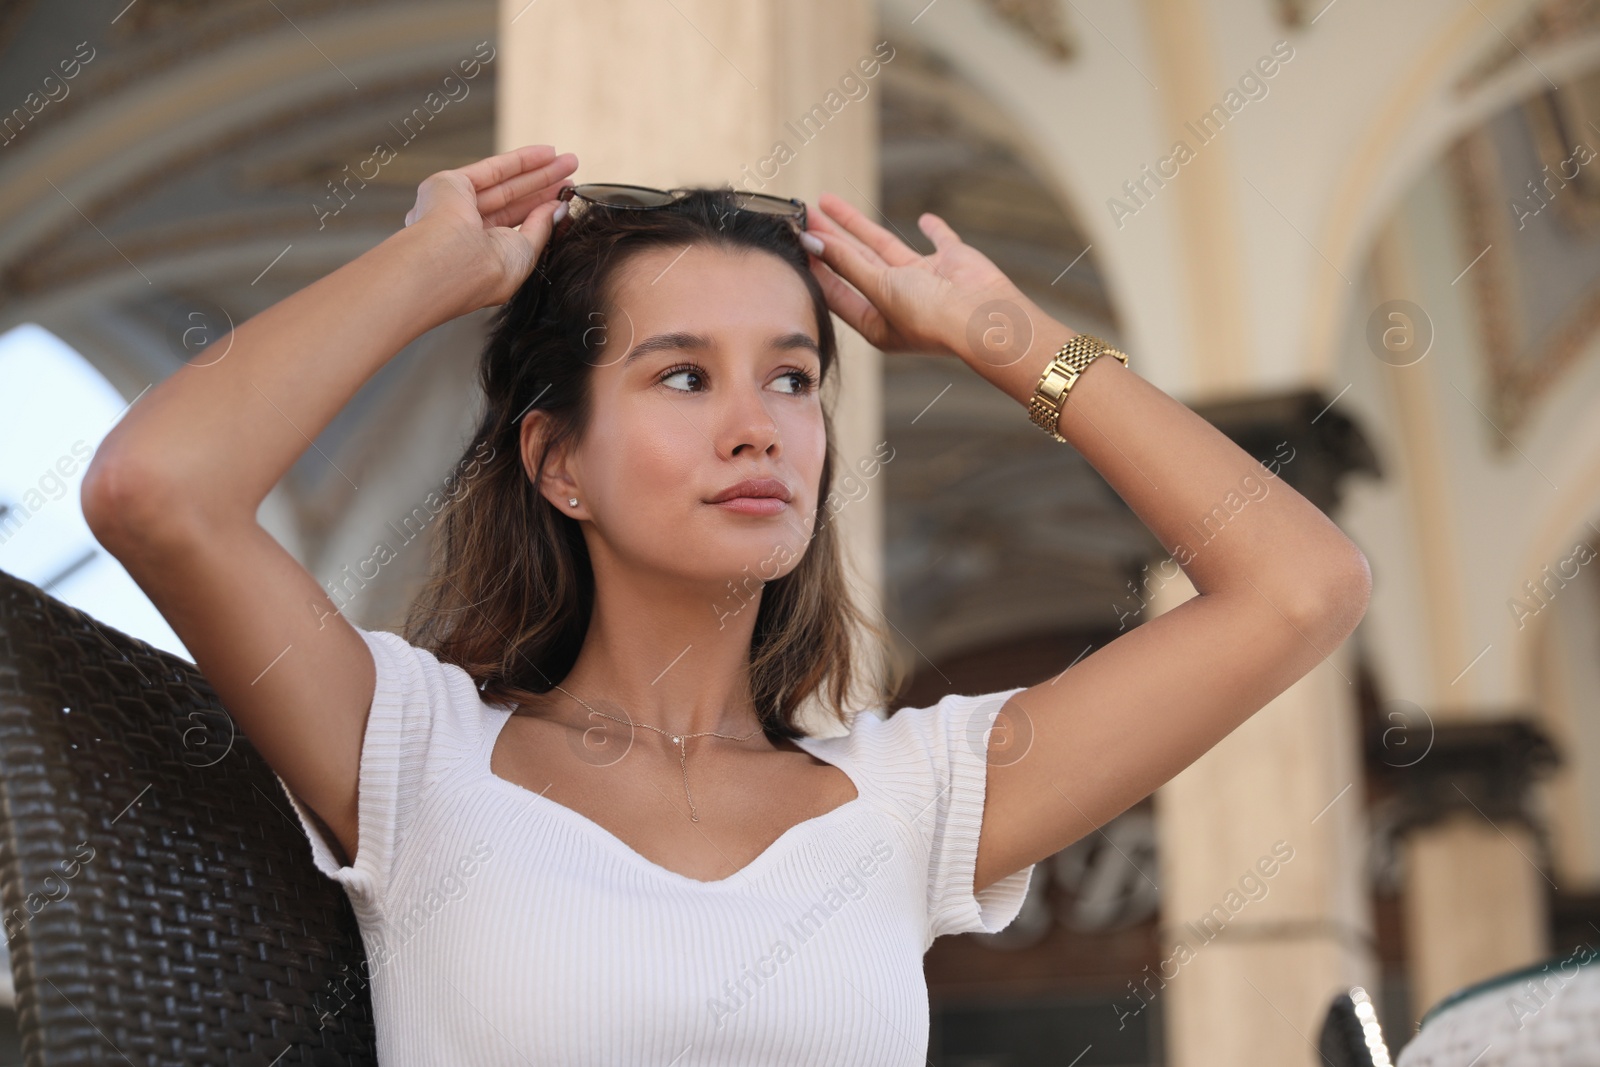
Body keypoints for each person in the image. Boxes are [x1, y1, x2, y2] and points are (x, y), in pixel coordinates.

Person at [81, 143, 1371, 1064]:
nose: (759, 429)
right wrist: (429, 269)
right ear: (559, 461)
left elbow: (1303, 586)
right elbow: (156, 490)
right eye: (684, 378)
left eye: (795, 379)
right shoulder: (414, 752)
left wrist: (1006, 339)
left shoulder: (918, 800)